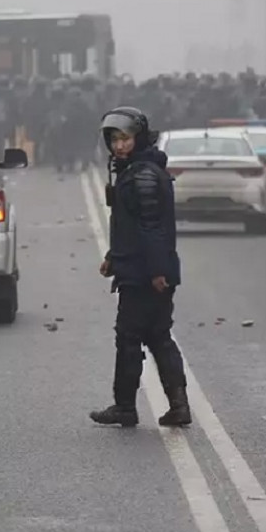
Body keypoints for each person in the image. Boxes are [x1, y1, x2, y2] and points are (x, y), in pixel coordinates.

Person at [89, 106, 191, 429]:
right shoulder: (135, 169)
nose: (119, 146)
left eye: (125, 139)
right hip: (141, 267)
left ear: (139, 138)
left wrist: (157, 271)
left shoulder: (143, 175)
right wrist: (113, 256)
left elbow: (151, 226)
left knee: (130, 337)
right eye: (114, 140)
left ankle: (124, 407)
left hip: (145, 274)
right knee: (159, 337)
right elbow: (130, 226)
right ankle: (178, 406)